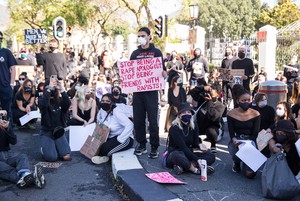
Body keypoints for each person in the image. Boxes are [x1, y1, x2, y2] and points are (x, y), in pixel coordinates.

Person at [130, 27, 167, 159]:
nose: (140, 38)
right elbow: (131, 72)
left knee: (152, 120)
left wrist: (164, 74)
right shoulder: (134, 54)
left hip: (151, 92)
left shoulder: (156, 52)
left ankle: (155, 146)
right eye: (138, 35)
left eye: (143, 35)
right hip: (138, 92)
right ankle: (141, 144)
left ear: (149, 37)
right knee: (139, 119)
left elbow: (163, 70)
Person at [165, 102, 215, 175]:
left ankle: (183, 167)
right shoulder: (174, 128)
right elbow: (183, 148)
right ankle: (196, 170)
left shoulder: (193, 126)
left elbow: (195, 143)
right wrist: (198, 160)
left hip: (188, 153)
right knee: (177, 156)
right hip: (176, 153)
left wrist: (200, 145)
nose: (187, 114)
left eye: (189, 112)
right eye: (184, 112)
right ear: (179, 115)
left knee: (211, 156)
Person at [0, 109, 45, 189]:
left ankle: (25, 175)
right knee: (5, 169)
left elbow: (13, 141)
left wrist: (7, 129)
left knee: (22, 157)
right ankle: (32, 178)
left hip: (6, 154)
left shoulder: (4, 125)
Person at [91, 94, 134, 164]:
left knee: (104, 148)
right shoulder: (102, 111)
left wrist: (120, 139)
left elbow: (130, 125)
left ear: (112, 103)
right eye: (103, 101)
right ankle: (102, 154)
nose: (104, 103)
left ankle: (105, 157)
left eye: (107, 101)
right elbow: (100, 122)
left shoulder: (117, 112)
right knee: (96, 145)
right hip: (110, 137)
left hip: (124, 138)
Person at [227, 89, 260, 178]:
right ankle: (236, 162)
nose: (246, 102)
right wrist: (234, 139)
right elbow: (231, 132)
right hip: (237, 139)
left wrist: (248, 142)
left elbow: (255, 132)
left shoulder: (255, 113)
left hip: (250, 141)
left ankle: (246, 162)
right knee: (236, 152)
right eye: (243, 100)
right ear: (238, 101)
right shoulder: (231, 113)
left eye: (248, 100)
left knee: (250, 173)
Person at [38, 77, 71, 162]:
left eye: (54, 87)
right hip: (46, 132)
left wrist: (62, 89)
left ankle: (55, 147)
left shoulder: (59, 100)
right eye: (50, 87)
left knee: (66, 156)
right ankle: (45, 149)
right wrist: (49, 89)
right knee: (52, 158)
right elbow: (43, 106)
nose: (53, 89)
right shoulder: (42, 99)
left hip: (58, 131)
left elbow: (67, 104)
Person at [197, 86, 225, 153]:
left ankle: (213, 145)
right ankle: (197, 142)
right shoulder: (203, 101)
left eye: (212, 93)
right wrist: (203, 88)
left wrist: (209, 102)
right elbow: (193, 92)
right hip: (201, 125)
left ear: (217, 95)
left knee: (211, 131)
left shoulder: (220, 105)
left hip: (214, 127)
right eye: (209, 92)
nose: (209, 94)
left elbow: (213, 117)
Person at [0, 31, 17, 134]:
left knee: (7, 109)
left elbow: (13, 68)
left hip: (5, 85)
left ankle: (9, 130)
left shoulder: (6, 52)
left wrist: (11, 83)